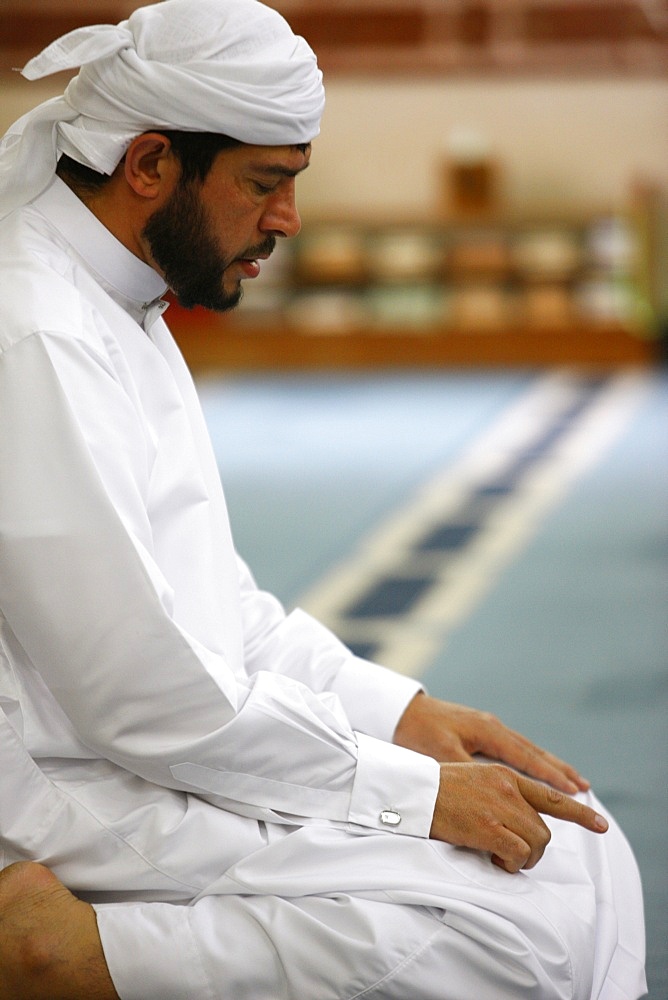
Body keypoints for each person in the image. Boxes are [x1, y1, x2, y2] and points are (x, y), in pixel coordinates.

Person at [0, 2, 647, 998]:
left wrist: (404, 714)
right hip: (81, 791)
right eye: (265, 183)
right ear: (149, 166)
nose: (287, 220)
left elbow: (220, 607)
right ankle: (74, 959)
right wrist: (414, 796)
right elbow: (137, 696)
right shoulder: (39, 331)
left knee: (574, 844)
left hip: (158, 749)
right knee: (516, 936)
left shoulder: (116, 303)